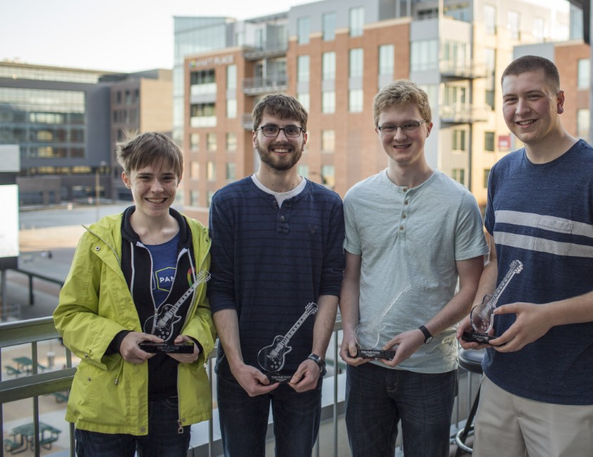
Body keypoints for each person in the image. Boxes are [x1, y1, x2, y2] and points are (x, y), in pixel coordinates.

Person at [458, 55, 593, 457]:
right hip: (499, 376)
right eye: (511, 99)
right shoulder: (502, 173)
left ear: (560, 100)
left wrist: (549, 316)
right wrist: (481, 310)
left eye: (534, 96)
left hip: (570, 388)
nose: (521, 109)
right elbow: (497, 258)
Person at [340, 80, 488, 457]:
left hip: (431, 367)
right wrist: (349, 331)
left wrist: (423, 334)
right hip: (366, 366)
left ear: (428, 127)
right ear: (378, 132)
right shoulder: (357, 199)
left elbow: (470, 289)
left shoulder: (459, 201)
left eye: (409, 124)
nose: (399, 135)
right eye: (389, 126)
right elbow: (351, 276)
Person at [53, 132, 215, 456]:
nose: (157, 188)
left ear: (179, 179)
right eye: (146, 177)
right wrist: (118, 339)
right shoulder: (99, 239)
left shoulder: (200, 239)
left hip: (173, 403)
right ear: (127, 178)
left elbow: (208, 308)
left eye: (167, 177)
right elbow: (69, 316)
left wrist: (197, 341)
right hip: (107, 405)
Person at [208, 94, 344, 457]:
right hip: (239, 372)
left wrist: (316, 358)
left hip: (304, 371)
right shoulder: (226, 202)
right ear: (255, 136)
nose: (281, 137)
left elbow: (330, 288)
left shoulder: (330, 205)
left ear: (305, 138)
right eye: (270, 128)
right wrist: (236, 364)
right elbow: (220, 289)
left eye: (291, 130)